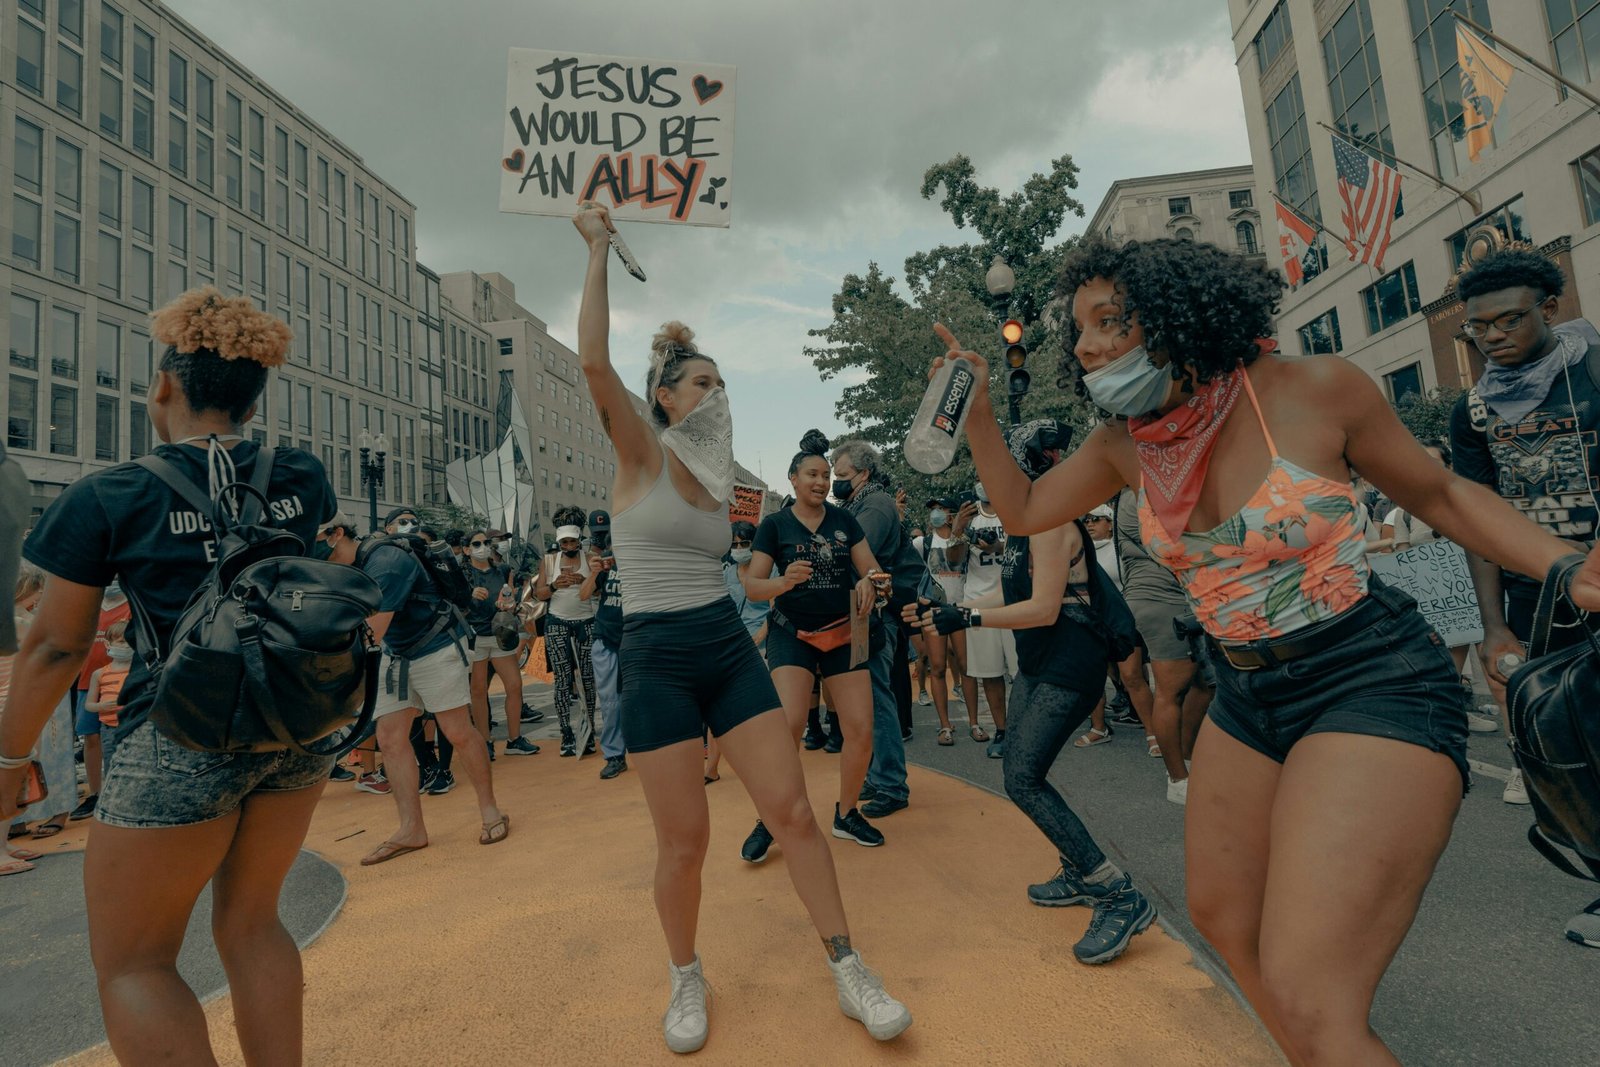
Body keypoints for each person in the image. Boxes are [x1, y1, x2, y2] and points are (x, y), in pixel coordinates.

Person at [935, 234, 1600, 1063]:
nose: (1086, 345)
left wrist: (1566, 565)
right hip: (1245, 695)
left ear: (1178, 313)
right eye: (1079, 329)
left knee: (1311, 993)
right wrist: (979, 413)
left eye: (1110, 320)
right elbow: (1027, 508)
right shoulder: (1123, 445)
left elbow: (1443, 493)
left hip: (1370, 676)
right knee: (1225, 921)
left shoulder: (1314, 389)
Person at [574, 200, 910, 1054]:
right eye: (701, 383)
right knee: (684, 843)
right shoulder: (640, 453)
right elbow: (593, 362)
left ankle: (848, 965)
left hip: (726, 647)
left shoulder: (723, 478)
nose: (715, 393)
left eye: (722, 384)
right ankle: (686, 974)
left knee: (793, 809)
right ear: (664, 397)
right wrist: (597, 250)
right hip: (656, 656)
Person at [0, 288, 342, 1062]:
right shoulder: (301, 474)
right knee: (254, 922)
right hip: (294, 723)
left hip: (178, 733)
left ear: (163, 385)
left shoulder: (112, 493)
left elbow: (54, 646)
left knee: (135, 963)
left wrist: (8, 762)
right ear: (253, 398)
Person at [907, 420, 1157, 965]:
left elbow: (1043, 609)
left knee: (1021, 778)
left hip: (1070, 666)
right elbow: (1009, 593)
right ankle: (1078, 870)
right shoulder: (1021, 527)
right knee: (1021, 773)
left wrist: (966, 617)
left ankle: (1116, 892)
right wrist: (945, 610)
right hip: (1039, 664)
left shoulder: (1050, 523)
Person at [1446, 245, 1600, 949]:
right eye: (1479, 326)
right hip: (1536, 604)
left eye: (1509, 319)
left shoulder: (1593, 371)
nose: (1494, 336)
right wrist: (1493, 628)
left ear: (1550, 308)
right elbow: (1475, 522)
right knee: (1574, 746)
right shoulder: (1473, 410)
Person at [319, 517, 510, 865]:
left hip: (435, 646)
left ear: (337, 534)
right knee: (390, 739)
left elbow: (369, 634)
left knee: (456, 730)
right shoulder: (339, 569)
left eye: (316, 537)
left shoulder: (386, 562)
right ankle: (411, 829)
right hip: (396, 653)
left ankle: (490, 810)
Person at [743, 430, 888, 861]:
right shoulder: (775, 525)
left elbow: (874, 570)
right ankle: (771, 819)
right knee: (788, 724)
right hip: (792, 634)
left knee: (860, 728)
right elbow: (752, 587)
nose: (821, 482)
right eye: (812, 474)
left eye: (826, 475)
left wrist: (872, 582)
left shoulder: (845, 521)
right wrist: (783, 582)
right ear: (793, 478)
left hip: (844, 632)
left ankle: (847, 814)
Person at [1381, 444, 1499, 736]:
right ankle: (1455, 714)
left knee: (1496, 656)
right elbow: (1404, 558)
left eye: (1432, 461)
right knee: (1449, 659)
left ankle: (1515, 714)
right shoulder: (1404, 514)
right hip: (1441, 602)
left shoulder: (1469, 503)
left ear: (1449, 466)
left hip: (1481, 595)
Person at [830, 441, 917, 818]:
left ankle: (891, 783)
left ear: (864, 474)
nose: (835, 482)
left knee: (877, 698)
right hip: (863, 612)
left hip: (875, 613)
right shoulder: (857, 504)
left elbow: (847, 552)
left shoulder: (877, 504)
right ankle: (877, 774)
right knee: (866, 699)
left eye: (842, 475)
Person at [1114, 487, 1214, 799]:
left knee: (1203, 684)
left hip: (1171, 598)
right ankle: (1178, 778)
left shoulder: (1146, 489)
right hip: (1160, 600)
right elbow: (1174, 540)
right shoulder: (1135, 494)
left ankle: (1185, 760)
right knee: (1171, 691)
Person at [463, 528, 540, 759]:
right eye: (477, 544)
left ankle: (514, 739)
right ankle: (485, 741)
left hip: (500, 632)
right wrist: (469, 596)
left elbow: (511, 596)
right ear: (466, 550)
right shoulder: (462, 574)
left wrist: (509, 604)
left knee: (514, 685)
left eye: (486, 543)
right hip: (475, 636)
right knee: (478, 691)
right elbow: (456, 603)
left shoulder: (502, 570)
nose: (483, 548)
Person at [913, 498, 984, 744]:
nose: (936, 513)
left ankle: (974, 723)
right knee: (938, 667)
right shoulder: (922, 543)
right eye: (933, 509)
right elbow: (908, 569)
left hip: (962, 608)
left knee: (967, 667)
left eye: (941, 509)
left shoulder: (965, 540)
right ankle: (945, 726)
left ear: (952, 515)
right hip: (933, 610)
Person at [706, 520, 769, 780]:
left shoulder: (769, 570)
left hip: (762, 647)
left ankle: (763, 764)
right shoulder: (727, 573)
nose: (739, 548)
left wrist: (759, 637)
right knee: (719, 705)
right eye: (735, 544)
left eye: (745, 543)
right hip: (732, 646)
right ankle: (711, 768)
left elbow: (776, 608)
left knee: (759, 710)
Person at [67, 582, 131, 822]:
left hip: (125, 679)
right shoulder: (89, 606)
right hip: (88, 680)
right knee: (91, 737)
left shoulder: (131, 605)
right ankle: (96, 793)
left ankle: (123, 791)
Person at [536, 515, 599, 757]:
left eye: (572, 541)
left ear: (579, 540)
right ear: (559, 542)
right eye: (564, 542)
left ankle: (589, 730)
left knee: (588, 679)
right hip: (557, 623)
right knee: (562, 680)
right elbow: (539, 594)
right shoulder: (549, 561)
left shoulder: (590, 558)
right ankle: (566, 733)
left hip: (586, 622)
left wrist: (586, 579)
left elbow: (600, 591)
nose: (569, 546)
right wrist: (555, 585)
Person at [961, 482, 1013, 759]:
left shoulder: (1013, 507)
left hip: (1015, 600)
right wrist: (957, 530)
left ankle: (1024, 728)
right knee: (990, 673)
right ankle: (1002, 730)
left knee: (1023, 670)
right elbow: (952, 561)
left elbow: (1027, 546)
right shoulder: (969, 515)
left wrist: (997, 546)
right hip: (979, 601)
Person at [585, 538, 628, 780]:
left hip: (635, 637)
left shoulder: (643, 562)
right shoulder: (605, 566)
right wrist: (594, 573)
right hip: (605, 638)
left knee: (643, 697)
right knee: (610, 701)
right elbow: (583, 594)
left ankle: (651, 749)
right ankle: (614, 755)